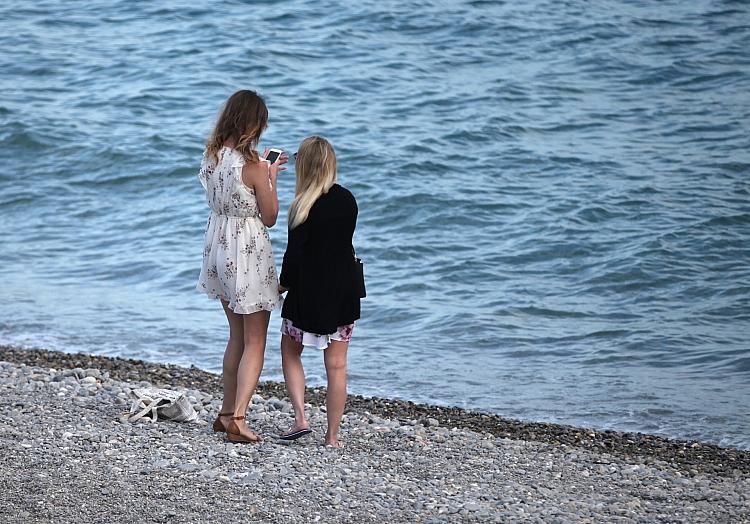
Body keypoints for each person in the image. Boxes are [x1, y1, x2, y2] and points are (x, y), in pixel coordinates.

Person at [196, 89, 287, 443]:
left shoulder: (213, 156)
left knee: (236, 334)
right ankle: (239, 417)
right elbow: (270, 216)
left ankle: (224, 411)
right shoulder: (254, 166)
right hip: (246, 249)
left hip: (218, 243)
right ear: (254, 125)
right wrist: (270, 179)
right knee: (256, 338)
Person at [278, 136, 361, 448]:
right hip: (343, 294)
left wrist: (281, 286)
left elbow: (294, 256)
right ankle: (332, 437)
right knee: (337, 366)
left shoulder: (302, 205)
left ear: (305, 165)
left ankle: (300, 418)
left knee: (289, 350)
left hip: (307, 295)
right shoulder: (348, 200)